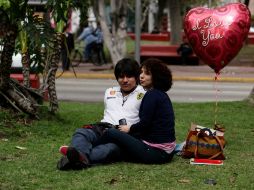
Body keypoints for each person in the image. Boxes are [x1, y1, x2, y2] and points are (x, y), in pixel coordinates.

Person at [57, 58, 146, 170]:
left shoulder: (144, 93)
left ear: (136, 77)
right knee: (81, 133)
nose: (125, 80)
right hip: (103, 129)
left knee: (110, 149)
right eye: (121, 77)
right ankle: (79, 156)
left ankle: (73, 159)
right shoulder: (109, 91)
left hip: (123, 135)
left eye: (129, 76)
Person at [96, 58, 176, 164]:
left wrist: (129, 128)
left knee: (111, 132)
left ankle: (91, 147)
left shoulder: (152, 95)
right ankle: (87, 152)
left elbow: (145, 124)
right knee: (118, 144)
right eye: (141, 72)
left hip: (156, 152)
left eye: (147, 74)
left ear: (156, 76)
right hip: (165, 151)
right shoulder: (160, 94)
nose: (141, 76)